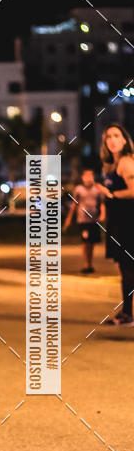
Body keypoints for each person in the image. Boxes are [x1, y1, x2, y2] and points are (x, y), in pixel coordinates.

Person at [95, 124, 134, 326]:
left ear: (125, 140)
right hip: (118, 220)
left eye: (117, 135)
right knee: (125, 267)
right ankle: (126, 312)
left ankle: (127, 313)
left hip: (128, 220)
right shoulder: (110, 165)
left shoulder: (126, 162)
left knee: (128, 266)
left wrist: (111, 195)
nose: (112, 139)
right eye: (108, 136)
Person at [63, 169, 105, 273]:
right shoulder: (79, 189)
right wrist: (69, 219)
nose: (89, 178)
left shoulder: (97, 189)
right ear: (83, 177)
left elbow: (102, 203)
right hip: (83, 220)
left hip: (94, 220)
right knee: (85, 242)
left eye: (91, 175)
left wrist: (103, 214)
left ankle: (90, 264)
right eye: (86, 176)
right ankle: (86, 264)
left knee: (92, 243)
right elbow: (74, 204)